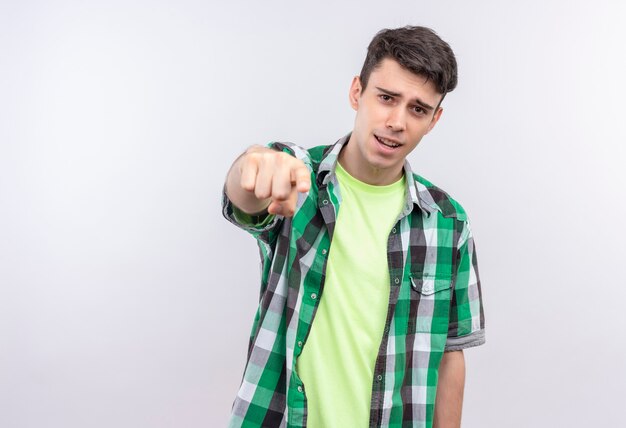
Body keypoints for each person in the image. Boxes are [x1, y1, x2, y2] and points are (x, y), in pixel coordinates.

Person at [222, 25, 485, 428]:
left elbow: (450, 354)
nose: (397, 121)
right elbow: (246, 195)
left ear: (434, 119)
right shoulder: (300, 180)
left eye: (417, 109)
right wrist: (255, 164)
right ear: (357, 92)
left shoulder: (448, 222)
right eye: (386, 98)